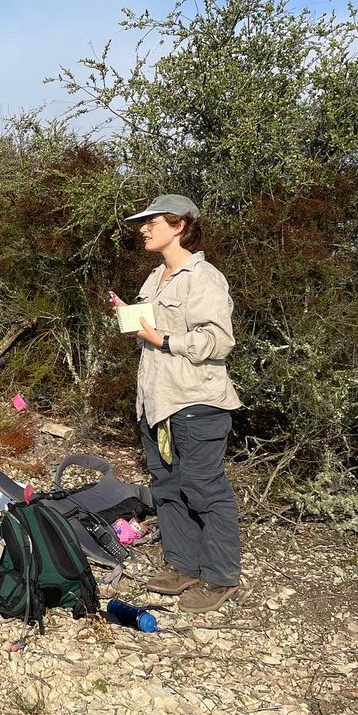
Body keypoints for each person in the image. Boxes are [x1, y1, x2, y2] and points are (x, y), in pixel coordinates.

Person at [110, 194, 243, 613]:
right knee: (167, 487)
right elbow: (153, 333)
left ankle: (221, 578)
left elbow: (219, 341)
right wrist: (130, 317)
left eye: (152, 222)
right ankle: (184, 566)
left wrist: (164, 339)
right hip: (156, 401)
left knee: (205, 488)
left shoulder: (203, 277)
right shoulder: (155, 279)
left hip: (197, 402)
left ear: (180, 224)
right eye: (144, 223)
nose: (144, 229)